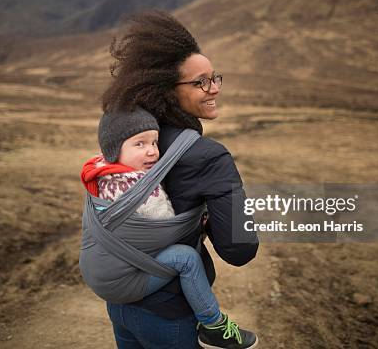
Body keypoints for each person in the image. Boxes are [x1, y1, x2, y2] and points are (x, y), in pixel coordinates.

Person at [100, 10, 259, 349]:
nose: (213, 88)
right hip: (170, 310)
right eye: (200, 82)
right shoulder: (210, 156)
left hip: (121, 303)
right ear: (167, 90)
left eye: (215, 77)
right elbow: (239, 249)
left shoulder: (133, 142)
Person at [80, 108, 258, 348]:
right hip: (127, 284)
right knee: (186, 258)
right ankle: (213, 324)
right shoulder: (138, 185)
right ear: (114, 149)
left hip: (106, 285)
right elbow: (165, 224)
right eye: (140, 144)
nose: (152, 151)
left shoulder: (101, 172)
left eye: (154, 142)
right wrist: (200, 219)